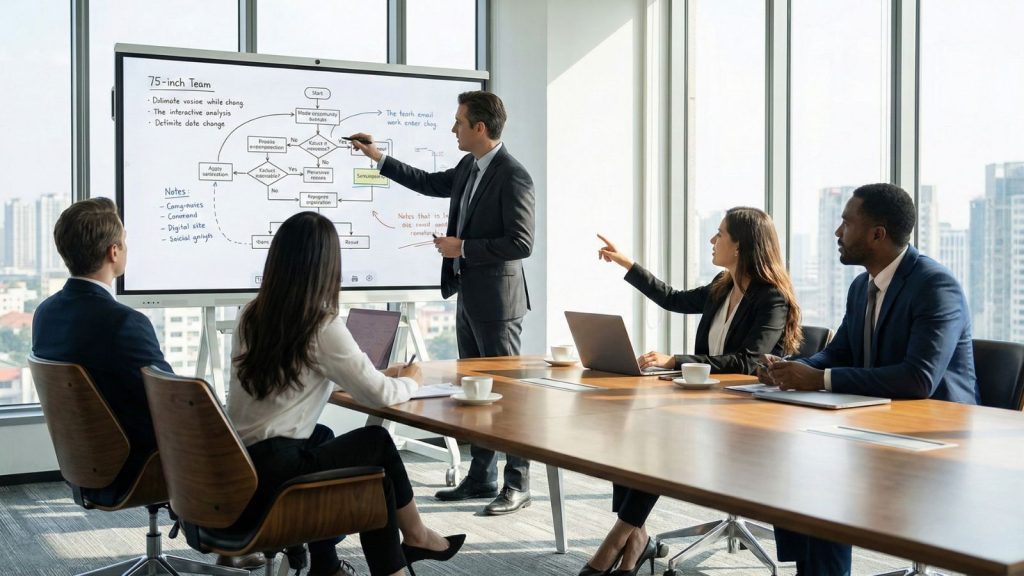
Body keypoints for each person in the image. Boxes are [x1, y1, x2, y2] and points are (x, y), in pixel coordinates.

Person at [227, 212, 464, 576]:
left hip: (245, 467)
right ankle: (415, 536)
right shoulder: (320, 325)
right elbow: (381, 396)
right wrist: (413, 378)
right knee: (377, 443)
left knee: (336, 446)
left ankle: (328, 565)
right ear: (327, 266)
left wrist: (367, 373)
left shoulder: (251, 315)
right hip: (278, 479)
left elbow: (294, 377)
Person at [31, 198, 263, 570]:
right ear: (113, 251)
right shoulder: (123, 322)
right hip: (134, 465)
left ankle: (225, 540)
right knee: (229, 436)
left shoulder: (45, 313)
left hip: (86, 463)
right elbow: (170, 405)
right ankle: (231, 538)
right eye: (125, 240)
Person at [760, 183, 977, 576]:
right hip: (874, 425)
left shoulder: (934, 285)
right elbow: (839, 352)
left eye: (846, 222)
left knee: (823, 484)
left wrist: (820, 379)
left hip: (935, 440)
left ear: (877, 233)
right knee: (796, 468)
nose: (837, 232)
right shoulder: (862, 286)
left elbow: (918, 379)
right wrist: (791, 368)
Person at [584, 206, 802, 575]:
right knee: (628, 431)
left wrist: (676, 361)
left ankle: (620, 536)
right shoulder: (722, 287)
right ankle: (636, 537)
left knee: (661, 441)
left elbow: (750, 361)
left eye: (720, 234)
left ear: (742, 245)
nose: (712, 240)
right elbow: (672, 298)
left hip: (747, 414)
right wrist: (626, 264)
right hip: (706, 403)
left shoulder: (772, 299)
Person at [350, 90, 536, 516]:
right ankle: (481, 476)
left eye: (458, 121)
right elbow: (429, 182)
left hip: (499, 303)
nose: (453, 128)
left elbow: (521, 243)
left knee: (506, 394)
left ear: (480, 128)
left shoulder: (513, 175)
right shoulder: (470, 166)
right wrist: (377, 156)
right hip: (469, 295)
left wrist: (463, 247)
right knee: (477, 391)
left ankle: (518, 483)